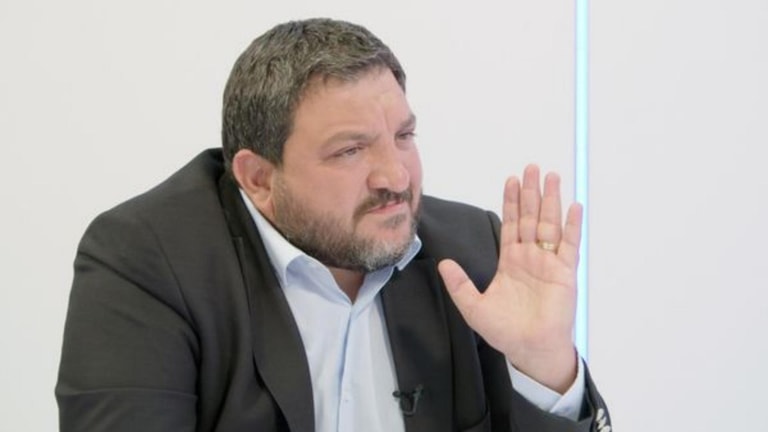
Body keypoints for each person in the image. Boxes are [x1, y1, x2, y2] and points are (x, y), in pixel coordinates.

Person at [56, 18, 611, 432]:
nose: (396, 176)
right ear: (257, 178)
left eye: (404, 136)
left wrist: (544, 368)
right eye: (350, 150)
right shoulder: (147, 260)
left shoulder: (473, 252)